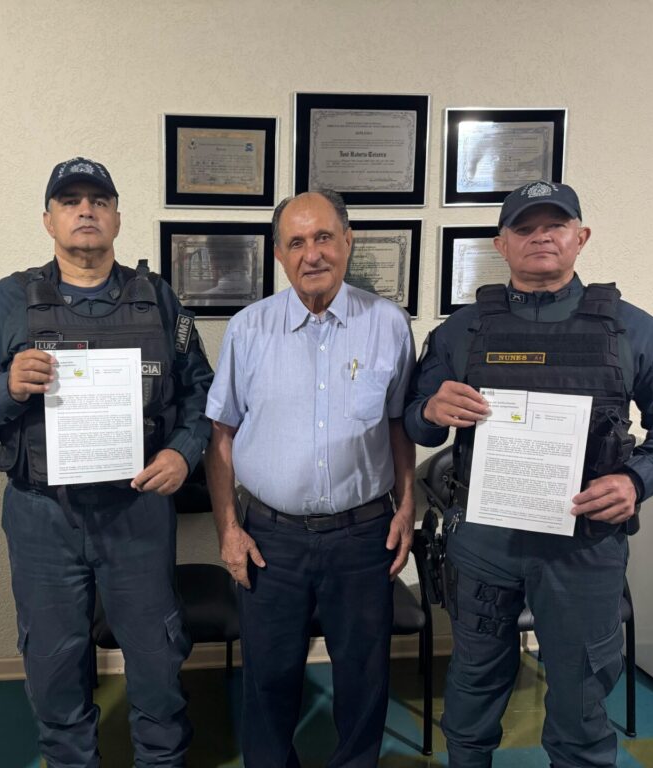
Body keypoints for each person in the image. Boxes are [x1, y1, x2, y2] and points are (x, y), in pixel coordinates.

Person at [405, 180, 653, 768]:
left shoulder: (634, 329)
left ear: (580, 237)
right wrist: (431, 410)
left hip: (582, 546)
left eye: (555, 225)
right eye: (524, 227)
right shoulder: (460, 331)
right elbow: (417, 423)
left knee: (580, 699)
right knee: (472, 686)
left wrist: (636, 481)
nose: (540, 236)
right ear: (501, 244)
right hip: (486, 541)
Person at [0, 157, 213, 766]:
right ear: (49, 220)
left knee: (156, 661)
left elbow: (202, 390)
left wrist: (183, 451)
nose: (85, 210)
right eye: (70, 201)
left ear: (117, 217)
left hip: (137, 511)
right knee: (53, 663)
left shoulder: (158, 299)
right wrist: (7, 386)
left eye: (98, 200)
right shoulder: (9, 300)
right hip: (44, 516)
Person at [204, 189, 417, 767]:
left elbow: (399, 424)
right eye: (296, 242)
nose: (312, 253)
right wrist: (228, 529)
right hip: (270, 540)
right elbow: (219, 436)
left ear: (348, 241)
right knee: (268, 682)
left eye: (323, 237)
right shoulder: (248, 330)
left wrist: (406, 507)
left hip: (363, 537)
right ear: (279, 254)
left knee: (364, 681)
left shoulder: (389, 326)